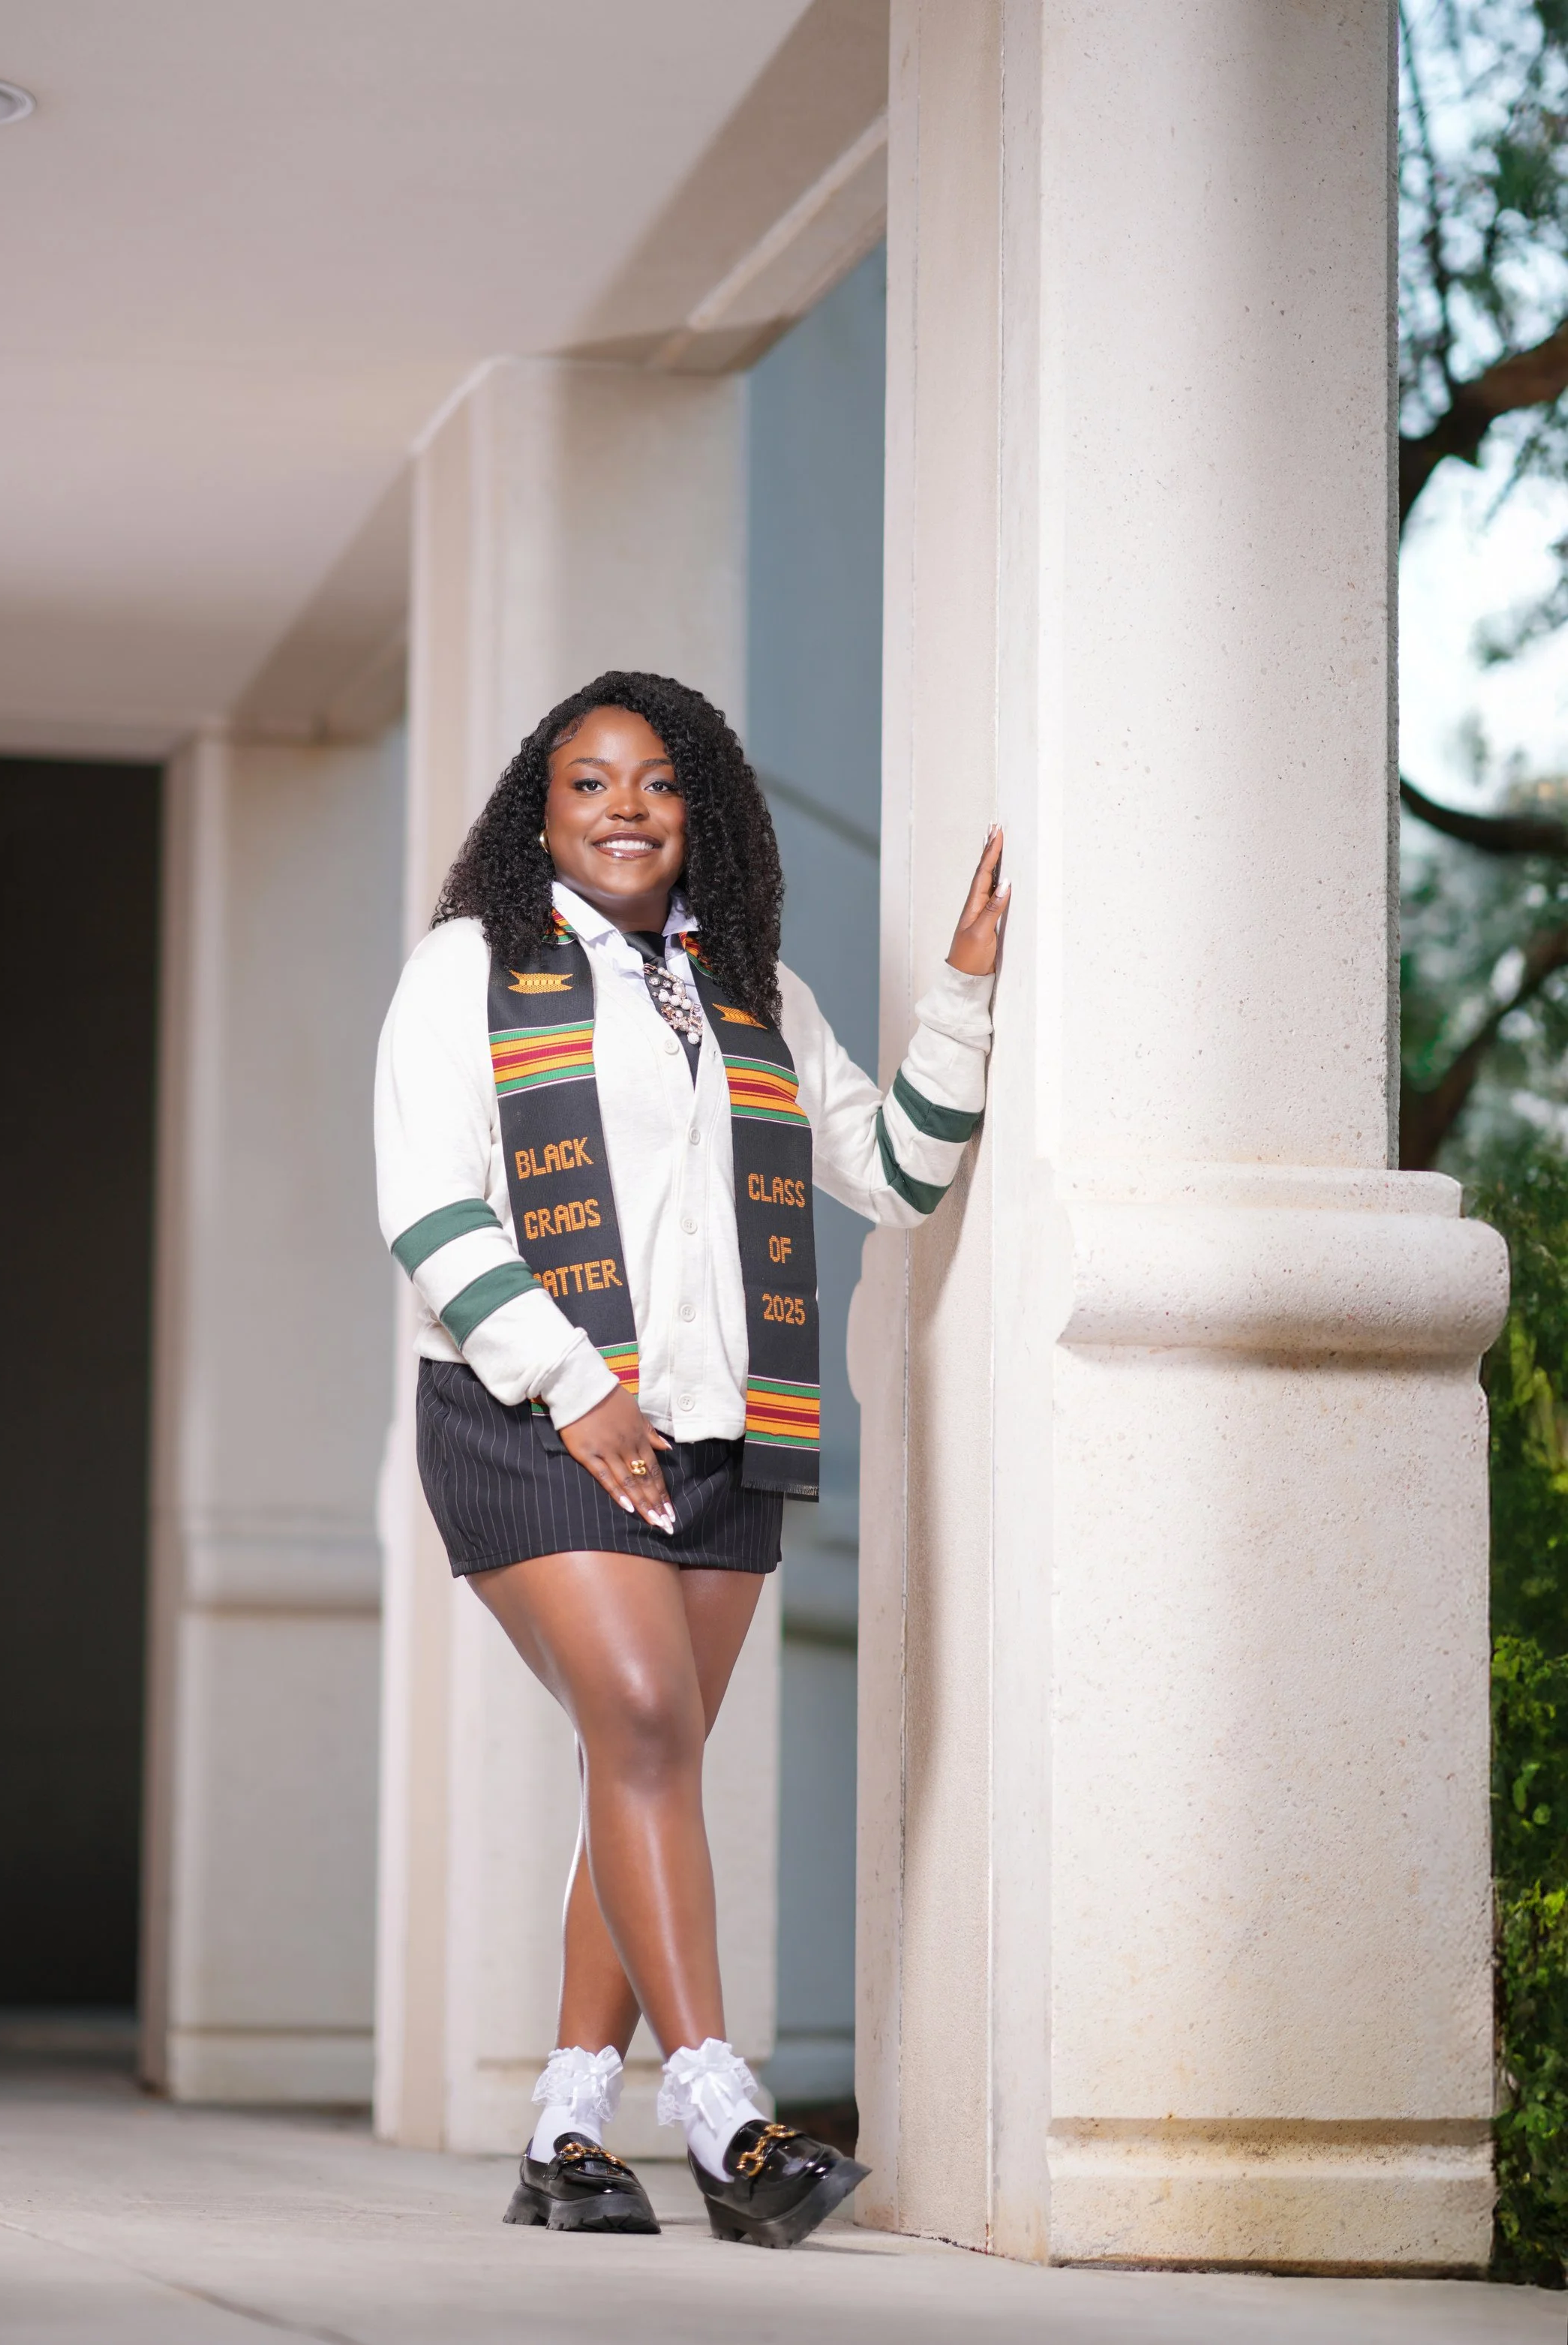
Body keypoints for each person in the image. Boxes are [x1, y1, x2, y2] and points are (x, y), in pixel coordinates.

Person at [374, 671, 1005, 2247]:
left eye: (655, 782)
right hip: (528, 1419)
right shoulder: (469, 968)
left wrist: (966, 994)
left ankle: (565, 2126)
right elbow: (429, 1205)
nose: (623, 809)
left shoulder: (752, 996)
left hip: (722, 1441)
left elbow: (893, 1171)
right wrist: (576, 1385)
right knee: (646, 1715)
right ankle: (720, 2111)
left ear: (697, 807)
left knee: (635, 1760)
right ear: (542, 810)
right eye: (588, 783)